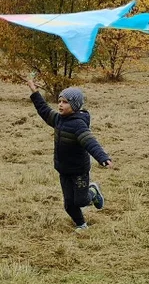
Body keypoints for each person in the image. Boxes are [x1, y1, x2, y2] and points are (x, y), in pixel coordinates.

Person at [26, 78, 113, 231]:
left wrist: (103, 157)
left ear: (74, 105)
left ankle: (93, 191)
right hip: (63, 170)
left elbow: (90, 142)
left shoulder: (78, 124)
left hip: (79, 171)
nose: (60, 104)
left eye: (65, 102)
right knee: (68, 204)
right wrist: (34, 91)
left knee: (80, 201)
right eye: (60, 101)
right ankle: (81, 224)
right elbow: (43, 109)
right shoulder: (58, 119)